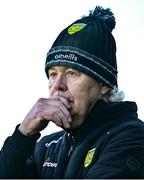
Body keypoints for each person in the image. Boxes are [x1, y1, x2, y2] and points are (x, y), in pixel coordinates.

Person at [0, 5, 144, 179]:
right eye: (53, 74)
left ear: (104, 84)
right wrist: (23, 136)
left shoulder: (132, 137)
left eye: (71, 73)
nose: (57, 85)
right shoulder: (46, 147)